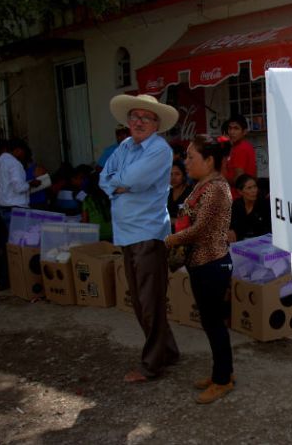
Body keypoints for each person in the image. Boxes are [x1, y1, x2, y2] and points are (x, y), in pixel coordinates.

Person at [99, 93, 181, 383]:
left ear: (156, 124)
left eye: (146, 118)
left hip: (147, 233)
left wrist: (120, 182)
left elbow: (131, 180)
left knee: (148, 301)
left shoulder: (159, 150)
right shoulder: (125, 146)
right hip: (128, 234)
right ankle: (167, 352)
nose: (139, 122)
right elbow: (104, 178)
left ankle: (152, 364)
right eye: (134, 116)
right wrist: (119, 183)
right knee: (140, 300)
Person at [165, 134, 235, 404]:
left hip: (212, 263)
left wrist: (170, 240)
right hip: (201, 262)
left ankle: (222, 380)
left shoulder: (216, 188)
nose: (186, 161)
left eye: (191, 157)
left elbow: (200, 229)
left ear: (208, 161)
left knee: (213, 321)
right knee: (210, 321)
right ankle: (223, 372)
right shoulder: (202, 184)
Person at [221, 114, 256, 199]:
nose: (232, 132)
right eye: (230, 128)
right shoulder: (243, 146)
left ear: (244, 132)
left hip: (238, 199)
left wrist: (222, 177)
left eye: (236, 128)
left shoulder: (240, 149)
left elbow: (239, 181)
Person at [228, 174, 271, 242]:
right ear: (240, 192)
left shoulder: (264, 204)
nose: (254, 191)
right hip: (240, 244)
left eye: (255, 186)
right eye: (249, 188)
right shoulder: (236, 206)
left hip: (262, 243)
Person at [81, 171, 113, 241]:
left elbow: (84, 222)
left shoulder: (87, 200)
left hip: (96, 235)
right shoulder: (109, 197)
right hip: (112, 234)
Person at [167, 158, 193, 231]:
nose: (173, 178)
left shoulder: (190, 194)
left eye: (177, 174)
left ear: (184, 176)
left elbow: (191, 220)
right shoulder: (167, 192)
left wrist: (172, 220)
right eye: (171, 174)